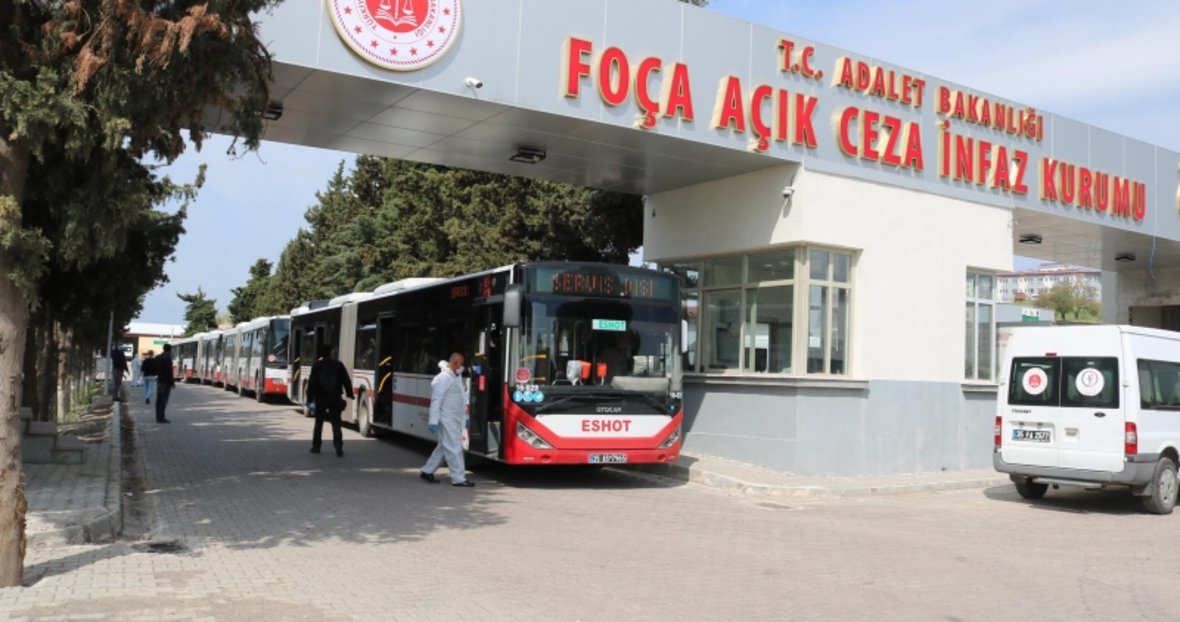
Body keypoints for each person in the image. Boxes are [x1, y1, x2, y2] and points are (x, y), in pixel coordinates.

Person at [419, 352, 474, 487]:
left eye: (462, 364)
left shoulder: (455, 377)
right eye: (460, 364)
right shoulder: (443, 378)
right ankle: (458, 478)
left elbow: (459, 399)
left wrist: (464, 418)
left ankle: (427, 470)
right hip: (446, 419)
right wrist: (433, 421)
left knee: (444, 447)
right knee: (455, 448)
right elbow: (436, 400)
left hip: (453, 418)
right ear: (454, 363)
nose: (461, 367)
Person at [307, 344, 352, 457]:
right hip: (335, 397)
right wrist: (350, 393)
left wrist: (309, 399)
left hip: (321, 398)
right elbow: (346, 380)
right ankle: (338, 447)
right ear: (330, 353)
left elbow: (312, 383)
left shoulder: (317, 365)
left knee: (319, 423)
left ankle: (316, 446)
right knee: (336, 423)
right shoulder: (338, 364)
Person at [154, 344, 176, 423]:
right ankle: (161, 417)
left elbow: (154, 367)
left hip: (159, 380)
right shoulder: (168, 358)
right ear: (170, 350)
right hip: (166, 382)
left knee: (159, 399)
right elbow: (169, 372)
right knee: (163, 400)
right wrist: (172, 382)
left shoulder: (158, 357)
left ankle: (158, 416)